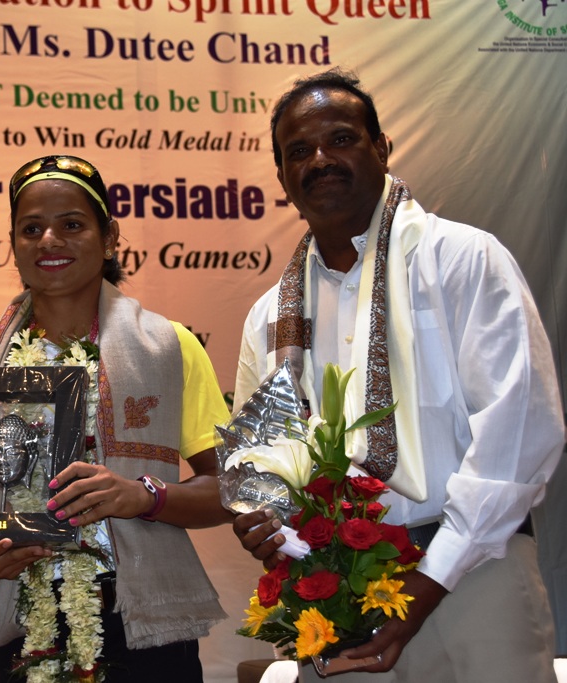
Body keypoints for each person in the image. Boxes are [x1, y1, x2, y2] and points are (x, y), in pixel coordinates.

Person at [232, 69, 563, 681]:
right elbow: (257, 459)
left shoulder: (460, 259)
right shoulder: (269, 317)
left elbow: (520, 432)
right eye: (298, 151)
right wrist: (264, 520)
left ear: (382, 148)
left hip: (474, 578)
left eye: (341, 139)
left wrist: (432, 577)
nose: (320, 160)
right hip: (335, 595)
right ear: (281, 177)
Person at [0, 155, 232, 682]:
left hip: (144, 626)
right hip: (27, 623)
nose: (49, 240)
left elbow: (230, 490)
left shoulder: (170, 348)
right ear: (13, 244)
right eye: (31, 228)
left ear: (109, 238)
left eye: (72, 224)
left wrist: (146, 497)